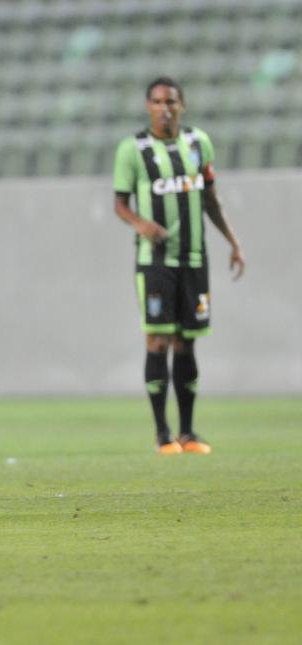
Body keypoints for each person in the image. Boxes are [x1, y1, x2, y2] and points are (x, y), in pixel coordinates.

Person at [113, 76, 246, 455]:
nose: (164, 108)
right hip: (155, 262)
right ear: (148, 106)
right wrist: (140, 223)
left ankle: (187, 434)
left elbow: (210, 200)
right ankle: (161, 436)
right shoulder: (133, 150)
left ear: (182, 105)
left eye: (171, 101)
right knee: (157, 340)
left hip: (194, 258)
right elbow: (119, 204)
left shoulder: (198, 143)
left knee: (187, 343)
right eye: (157, 101)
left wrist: (233, 243)